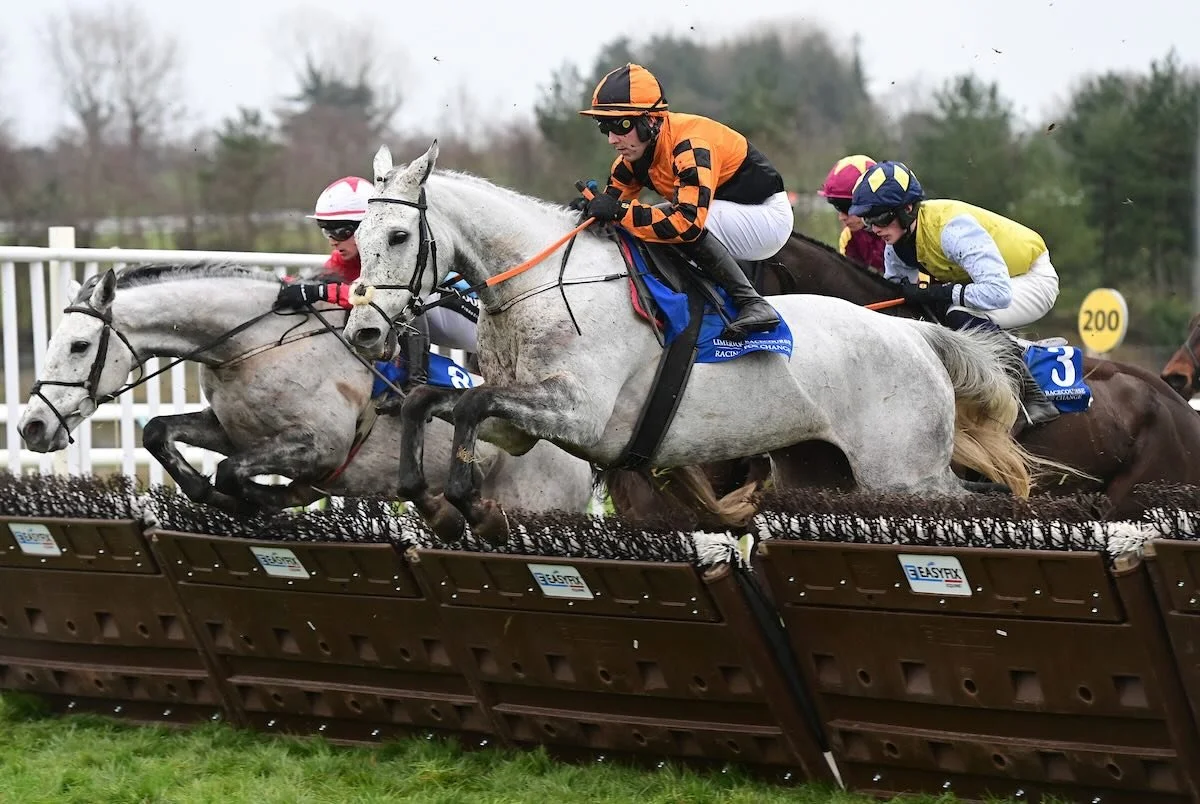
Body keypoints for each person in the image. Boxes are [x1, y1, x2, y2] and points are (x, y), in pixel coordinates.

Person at [577, 63, 793, 338]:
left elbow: (687, 224)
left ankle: (752, 302)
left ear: (651, 120)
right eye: (604, 127)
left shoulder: (691, 146)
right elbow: (612, 209)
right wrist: (590, 208)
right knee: (642, 222)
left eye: (622, 125)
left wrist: (619, 211)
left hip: (765, 217)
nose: (612, 139)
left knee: (671, 220)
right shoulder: (630, 159)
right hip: (724, 212)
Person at [848, 160, 1062, 425]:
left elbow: (998, 293)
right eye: (868, 220)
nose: (875, 228)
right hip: (994, 282)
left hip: (1031, 278)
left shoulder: (952, 230)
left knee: (957, 311)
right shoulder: (896, 246)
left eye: (880, 218)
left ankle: (1034, 397)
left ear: (907, 209)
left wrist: (941, 292)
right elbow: (897, 302)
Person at [275, 176, 479, 388]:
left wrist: (320, 292)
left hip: (469, 315)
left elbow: (376, 296)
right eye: (327, 231)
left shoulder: (392, 249)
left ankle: (416, 384)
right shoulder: (343, 255)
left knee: (400, 303)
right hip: (445, 324)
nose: (333, 240)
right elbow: (325, 280)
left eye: (341, 232)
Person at [818, 154, 885, 272]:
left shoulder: (904, 231)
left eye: (847, 207)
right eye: (838, 208)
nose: (841, 217)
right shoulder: (849, 237)